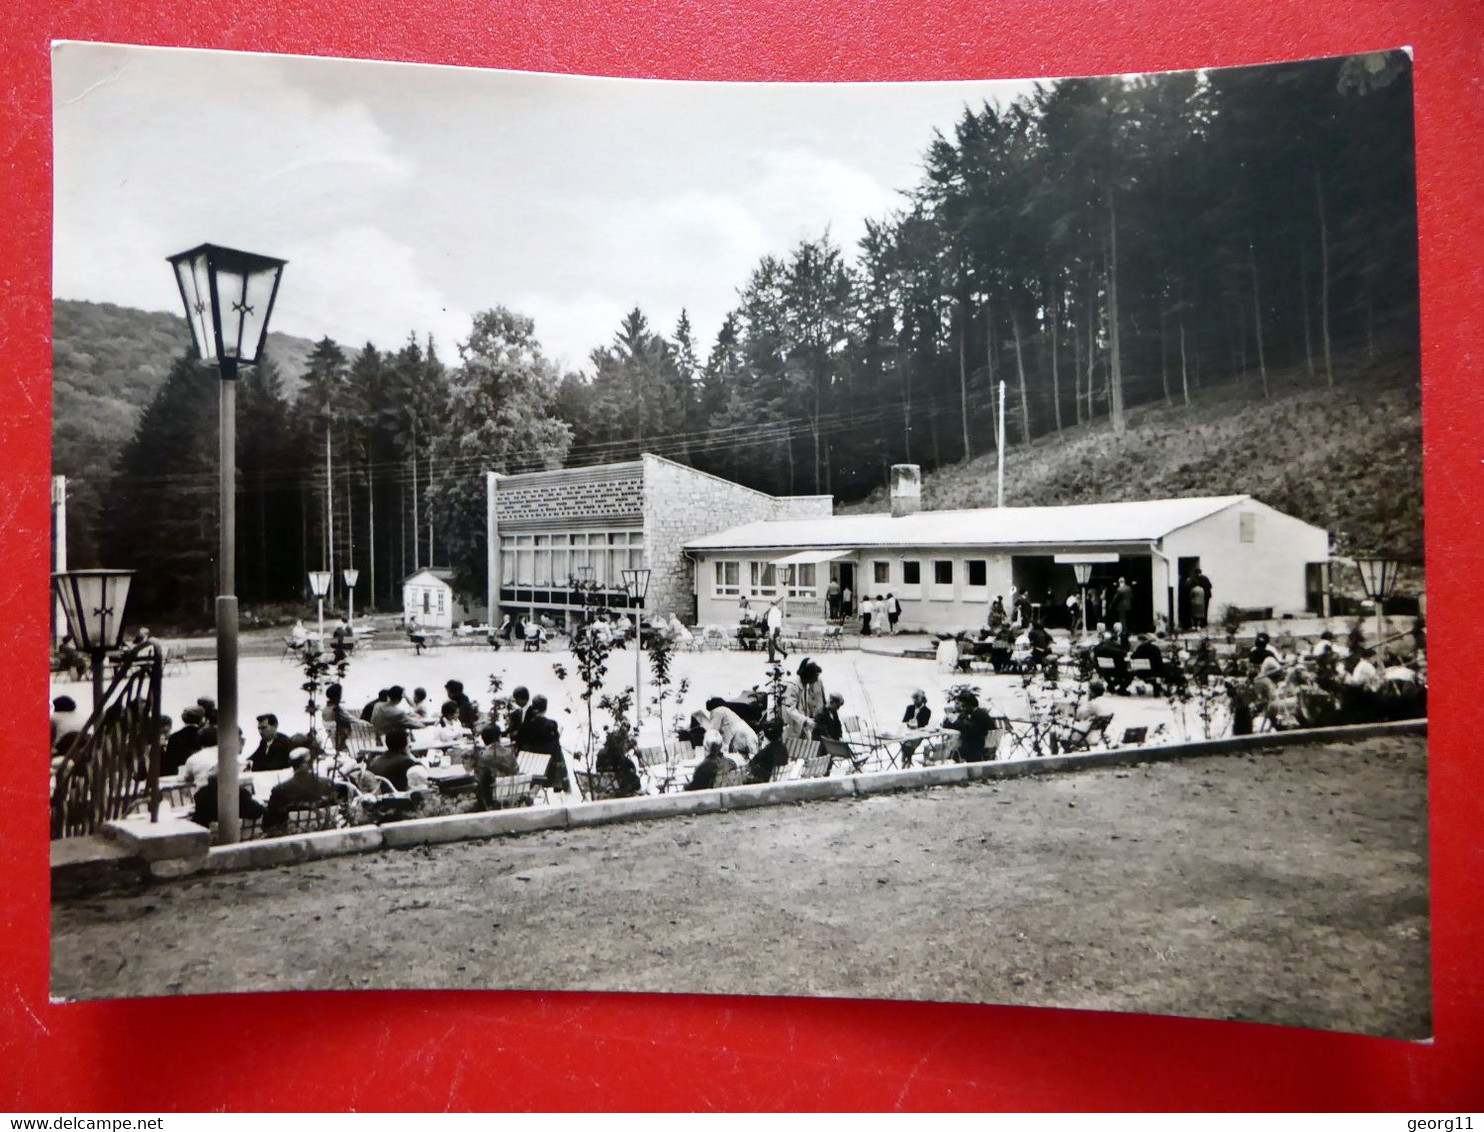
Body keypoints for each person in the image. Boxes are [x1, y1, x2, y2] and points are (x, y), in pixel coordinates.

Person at [261, 746, 344, 835]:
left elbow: (268, 824)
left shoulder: (280, 790)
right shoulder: (328, 784)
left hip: (292, 837)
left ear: (291, 765)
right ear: (311, 763)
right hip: (325, 833)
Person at [516, 694, 569, 793]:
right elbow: (555, 747)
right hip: (548, 769)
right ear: (545, 708)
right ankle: (560, 784)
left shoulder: (524, 726)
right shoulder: (551, 725)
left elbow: (519, 747)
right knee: (558, 749)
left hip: (527, 768)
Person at [473, 723, 520, 809]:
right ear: (499, 737)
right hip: (513, 790)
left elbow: (480, 780)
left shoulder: (484, 756)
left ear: (484, 740)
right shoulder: (509, 752)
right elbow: (516, 770)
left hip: (492, 795)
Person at [943, 690, 996, 762]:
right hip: (982, 746)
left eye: (963, 706)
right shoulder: (978, 713)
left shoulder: (978, 715)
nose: (962, 708)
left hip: (977, 749)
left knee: (953, 752)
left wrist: (956, 721)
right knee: (954, 751)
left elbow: (969, 730)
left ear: (970, 705)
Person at [782, 658, 827, 739]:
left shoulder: (805, 685)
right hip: (792, 727)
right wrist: (805, 721)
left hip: (802, 726)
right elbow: (790, 709)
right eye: (815, 677)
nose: (816, 679)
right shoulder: (792, 686)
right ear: (808, 676)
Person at [368, 727, 419, 792]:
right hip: (400, 796)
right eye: (408, 744)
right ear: (404, 745)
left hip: (380, 795)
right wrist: (409, 754)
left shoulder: (375, 761)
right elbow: (421, 774)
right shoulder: (405, 762)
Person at [162, 705, 206, 775]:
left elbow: (169, 762)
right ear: (201, 719)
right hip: (200, 773)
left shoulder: (174, 737)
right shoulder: (204, 735)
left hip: (178, 774)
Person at [746, 719, 789, 784]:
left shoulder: (767, 750)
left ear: (766, 735)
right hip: (778, 777)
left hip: (767, 780)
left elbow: (752, 764)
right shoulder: (782, 748)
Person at [320, 683, 357, 755]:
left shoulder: (325, 709)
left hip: (334, 739)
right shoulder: (337, 710)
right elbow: (352, 720)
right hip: (343, 738)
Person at [898, 689, 932, 766]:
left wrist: (916, 724)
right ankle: (907, 761)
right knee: (905, 742)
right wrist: (909, 723)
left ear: (922, 699)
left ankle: (906, 761)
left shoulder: (927, 711)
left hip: (919, 732)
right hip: (908, 731)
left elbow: (924, 724)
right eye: (914, 699)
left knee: (908, 744)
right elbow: (904, 721)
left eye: (917, 699)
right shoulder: (910, 708)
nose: (915, 702)